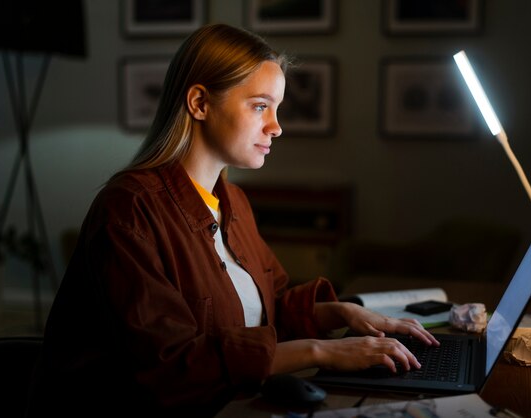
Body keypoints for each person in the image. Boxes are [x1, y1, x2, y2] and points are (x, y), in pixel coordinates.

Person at [26, 23, 439, 418]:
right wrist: (321, 351)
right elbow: (170, 367)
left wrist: (343, 314)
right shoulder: (128, 210)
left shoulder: (233, 201)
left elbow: (270, 305)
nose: (276, 127)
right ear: (200, 103)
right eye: (260, 106)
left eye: (276, 109)